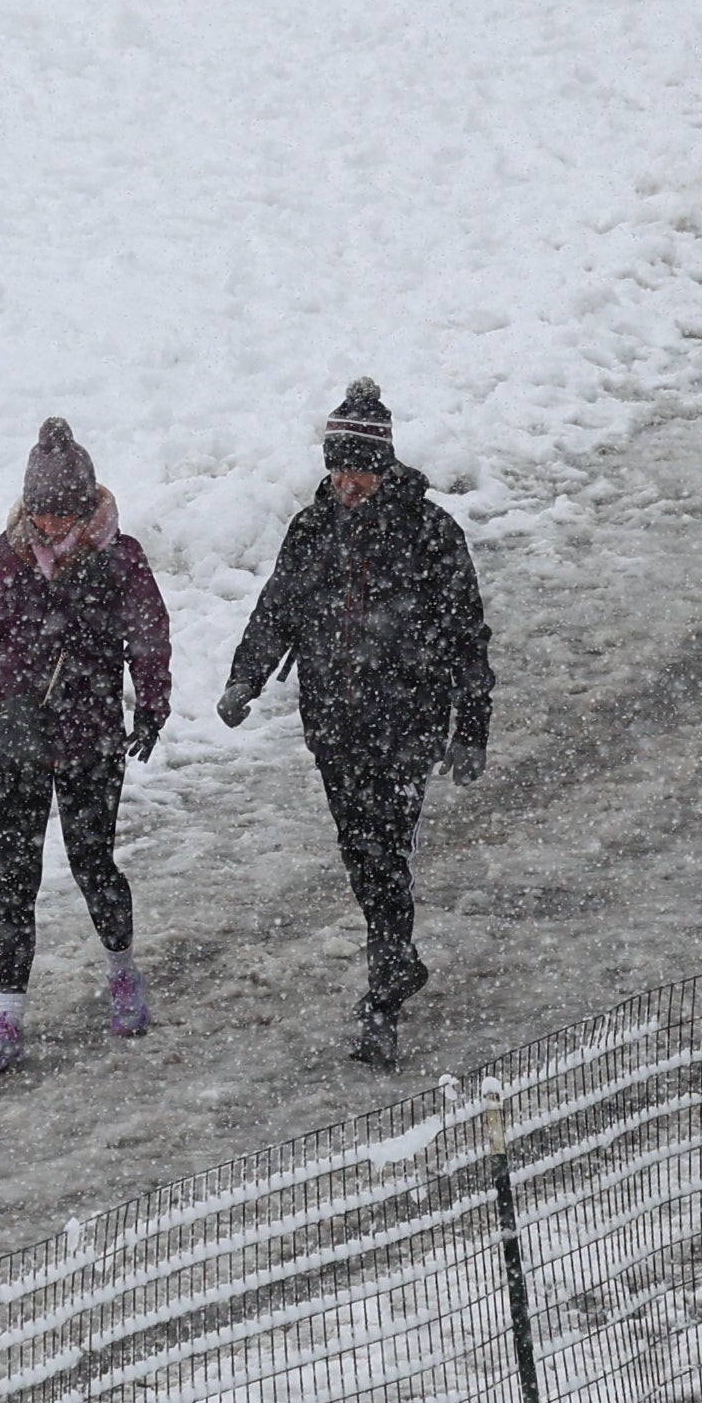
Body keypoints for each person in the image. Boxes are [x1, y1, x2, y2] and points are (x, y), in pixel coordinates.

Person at [217, 379, 494, 1067]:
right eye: (339, 468)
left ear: (385, 464)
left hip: (407, 725)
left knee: (385, 848)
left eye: (361, 468)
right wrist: (245, 677)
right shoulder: (311, 531)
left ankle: (383, 991)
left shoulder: (430, 533)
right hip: (333, 724)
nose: (349, 482)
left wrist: (471, 726)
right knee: (359, 849)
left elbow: (467, 636)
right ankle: (394, 954)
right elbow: (277, 609)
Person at [0, 417, 174, 1075]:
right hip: (17, 735)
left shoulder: (119, 558)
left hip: (89, 736)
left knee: (93, 863)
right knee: (15, 880)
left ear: (87, 503)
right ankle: (8, 1016)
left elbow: (148, 637)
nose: (50, 527)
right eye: (40, 513)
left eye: (62, 512)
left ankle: (123, 973)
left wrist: (151, 706)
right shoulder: (5, 554)